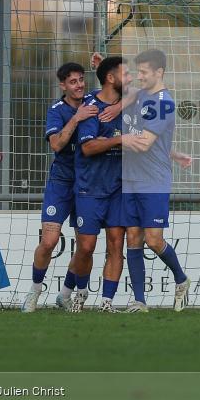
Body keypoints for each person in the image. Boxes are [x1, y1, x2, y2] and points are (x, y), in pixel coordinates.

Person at [21, 63, 98, 313]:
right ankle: (34, 291)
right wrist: (76, 118)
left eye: (81, 80)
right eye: (73, 82)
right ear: (63, 85)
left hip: (87, 183)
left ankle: (66, 294)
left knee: (85, 246)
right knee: (49, 241)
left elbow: (117, 92)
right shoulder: (56, 111)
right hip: (61, 183)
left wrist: (101, 67)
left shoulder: (93, 101)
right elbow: (56, 144)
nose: (79, 85)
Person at [121, 49, 192, 312]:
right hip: (129, 180)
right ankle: (139, 301)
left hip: (154, 182)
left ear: (159, 73)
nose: (139, 77)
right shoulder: (139, 95)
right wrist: (173, 153)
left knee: (153, 240)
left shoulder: (163, 102)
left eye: (143, 72)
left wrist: (106, 143)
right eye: (137, 72)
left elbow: (144, 144)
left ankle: (181, 279)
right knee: (133, 239)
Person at [69, 56, 129, 313]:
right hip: (89, 188)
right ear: (110, 79)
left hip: (117, 188)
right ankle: (80, 295)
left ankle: (107, 303)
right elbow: (88, 147)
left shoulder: (129, 104)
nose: (131, 79)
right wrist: (119, 140)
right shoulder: (90, 108)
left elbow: (153, 93)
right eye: (125, 74)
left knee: (116, 243)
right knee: (86, 246)